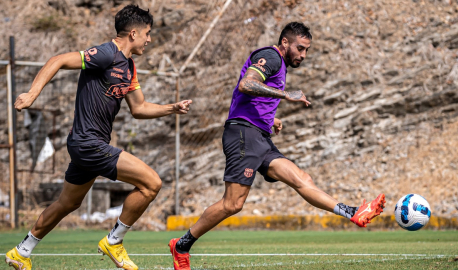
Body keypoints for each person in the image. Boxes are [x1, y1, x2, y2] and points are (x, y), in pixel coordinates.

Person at [168, 22, 386, 270]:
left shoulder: (280, 64)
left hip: (259, 136)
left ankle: (353, 212)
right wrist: (285, 95)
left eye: (306, 50)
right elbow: (246, 85)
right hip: (243, 134)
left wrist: (271, 119)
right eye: (300, 48)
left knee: (302, 178)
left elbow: (252, 100)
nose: (303, 55)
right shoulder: (270, 56)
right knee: (233, 204)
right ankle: (181, 245)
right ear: (285, 43)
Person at [5, 5, 192, 270]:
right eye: (148, 34)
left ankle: (21, 251)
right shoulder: (106, 54)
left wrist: (171, 108)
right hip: (87, 143)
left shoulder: (128, 66)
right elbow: (57, 60)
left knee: (67, 203)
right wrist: (32, 95)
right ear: (134, 33)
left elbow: (139, 108)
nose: (149, 40)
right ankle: (114, 241)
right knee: (152, 183)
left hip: (88, 146)